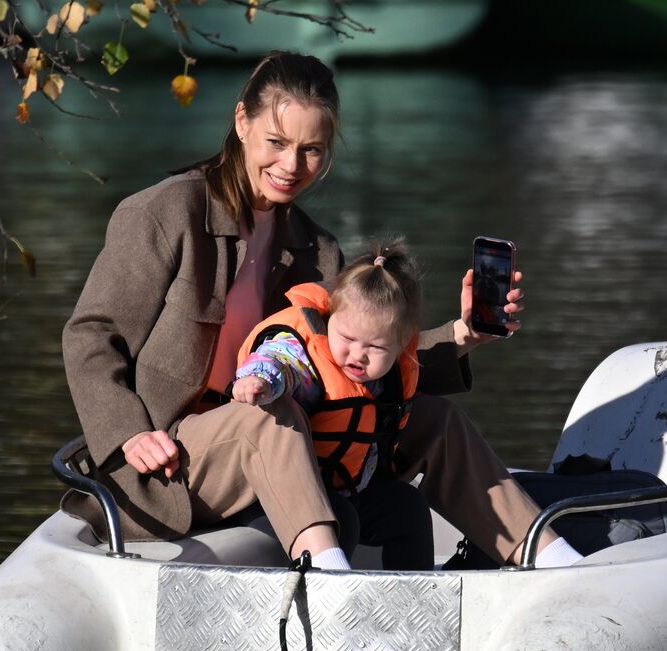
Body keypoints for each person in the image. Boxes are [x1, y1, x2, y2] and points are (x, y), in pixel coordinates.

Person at [61, 50, 580, 571]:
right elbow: (91, 334)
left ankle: (553, 561)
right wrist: (129, 433)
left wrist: (463, 335)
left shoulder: (318, 249)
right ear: (241, 122)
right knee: (272, 414)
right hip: (170, 462)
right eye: (277, 142)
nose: (291, 166)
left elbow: (354, 357)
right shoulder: (165, 213)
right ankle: (334, 580)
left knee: (436, 419)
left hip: (289, 446)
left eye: (311, 150)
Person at [230, 240, 436, 570]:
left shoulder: (390, 375)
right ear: (330, 319)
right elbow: (282, 360)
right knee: (342, 519)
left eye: (375, 347)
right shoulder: (310, 356)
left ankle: (416, 590)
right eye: (348, 338)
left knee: (407, 506)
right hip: (276, 497)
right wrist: (260, 380)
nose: (357, 355)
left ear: (400, 345)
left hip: (344, 488)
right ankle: (330, 596)